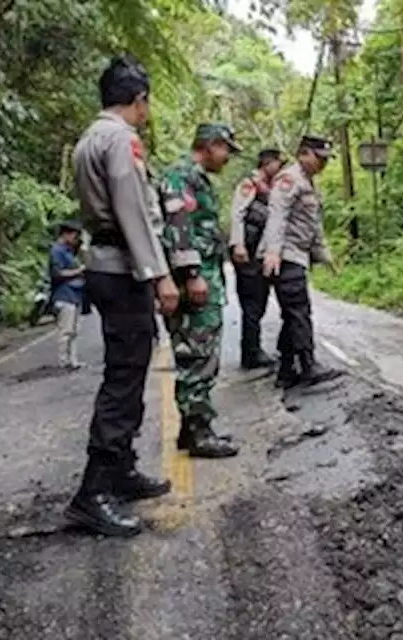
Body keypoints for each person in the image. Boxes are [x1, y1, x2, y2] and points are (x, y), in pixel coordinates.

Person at [68, 54, 177, 538]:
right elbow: (132, 210)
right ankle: (93, 492)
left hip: (103, 265)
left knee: (128, 369)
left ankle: (123, 470)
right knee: (124, 379)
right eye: (147, 104)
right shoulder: (121, 140)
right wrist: (159, 275)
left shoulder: (89, 138)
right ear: (139, 100)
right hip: (122, 267)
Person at [156, 123, 242, 459]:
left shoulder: (195, 177)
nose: (226, 159)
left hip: (204, 273)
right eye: (225, 150)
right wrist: (191, 273)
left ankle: (190, 428)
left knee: (200, 351)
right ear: (210, 145)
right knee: (198, 354)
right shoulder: (181, 176)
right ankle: (198, 431)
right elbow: (178, 226)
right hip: (194, 277)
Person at [260, 135, 346, 389]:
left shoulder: (308, 184)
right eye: (319, 158)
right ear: (304, 153)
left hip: (298, 255)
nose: (323, 165)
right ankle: (309, 366)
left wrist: (326, 256)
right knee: (299, 311)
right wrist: (273, 251)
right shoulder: (289, 180)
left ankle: (287, 371)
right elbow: (277, 215)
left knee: (291, 314)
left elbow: (314, 226)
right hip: (285, 257)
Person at [229, 148, 284, 370]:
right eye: (278, 163)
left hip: (260, 252)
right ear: (267, 163)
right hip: (249, 252)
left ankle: (254, 349)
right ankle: (250, 352)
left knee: (259, 302)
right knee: (252, 303)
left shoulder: (271, 188)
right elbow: (237, 213)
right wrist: (238, 244)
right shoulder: (250, 184)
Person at [49, 220, 86, 369]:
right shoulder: (56, 251)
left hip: (75, 294)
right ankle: (63, 360)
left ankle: (73, 360)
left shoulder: (69, 251)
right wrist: (78, 271)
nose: (75, 239)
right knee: (66, 330)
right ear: (66, 234)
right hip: (64, 295)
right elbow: (57, 273)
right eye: (74, 236)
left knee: (74, 331)